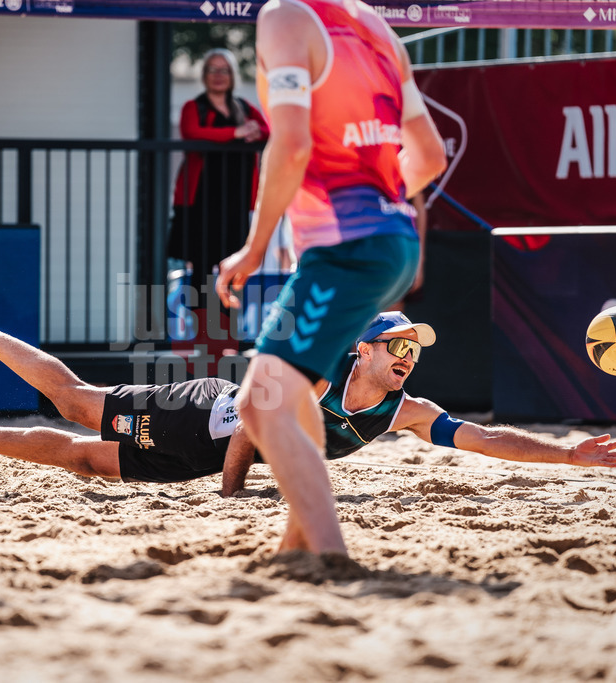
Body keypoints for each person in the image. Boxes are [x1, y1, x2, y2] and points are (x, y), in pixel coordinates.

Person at [0, 308, 616, 530]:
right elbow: (249, 422)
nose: (409, 356)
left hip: (206, 452)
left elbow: (487, 437)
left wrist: (569, 458)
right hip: (204, 421)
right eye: (397, 346)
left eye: (416, 348)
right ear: (364, 349)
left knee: (86, 459)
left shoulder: (406, 411)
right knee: (79, 402)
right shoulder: (313, 380)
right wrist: (234, 495)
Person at [214, 0, 448, 556]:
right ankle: (298, 542)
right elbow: (431, 156)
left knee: (259, 403)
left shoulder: (285, 18)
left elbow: (291, 146)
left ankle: (327, 552)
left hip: (346, 248)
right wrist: (382, 201)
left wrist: (253, 248)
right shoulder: (378, 29)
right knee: (291, 398)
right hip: (393, 241)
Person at [169, 48, 270, 295]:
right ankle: (200, 329)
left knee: (234, 263)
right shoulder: (194, 107)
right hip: (201, 200)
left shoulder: (243, 108)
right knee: (200, 264)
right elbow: (192, 132)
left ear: (232, 75)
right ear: (204, 75)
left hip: (235, 199)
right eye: (212, 70)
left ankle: (227, 327)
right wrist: (234, 133)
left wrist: (255, 131)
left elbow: (268, 129)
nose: (218, 75)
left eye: (224, 70)